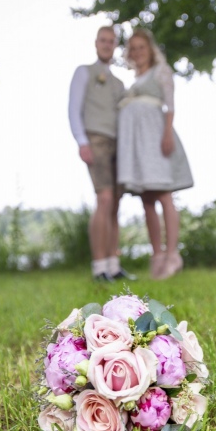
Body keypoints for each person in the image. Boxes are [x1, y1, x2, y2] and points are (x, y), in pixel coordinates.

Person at [117, 28, 194, 280]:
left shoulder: (161, 71)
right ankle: (157, 254)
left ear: (150, 49)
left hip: (156, 137)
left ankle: (173, 254)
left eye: (141, 47)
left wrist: (167, 133)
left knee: (163, 194)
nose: (137, 52)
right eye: (133, 48)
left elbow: (170, 105)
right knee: (146, 198)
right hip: (139, 145)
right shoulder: (135, 79)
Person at [68, 25, 135, 282]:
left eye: (111, 41)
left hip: (119, 145)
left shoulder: (119, 83)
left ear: (115, 45)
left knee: (116, 204)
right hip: (95, 139)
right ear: (96, 43)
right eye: (103, 40)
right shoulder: (84, 72)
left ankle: (113, 265)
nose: (107, 45)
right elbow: (73, 108)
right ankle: (99, 267)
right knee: (104, 199)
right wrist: (81, 140)